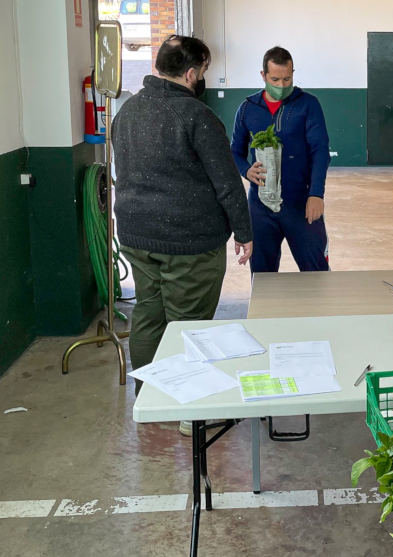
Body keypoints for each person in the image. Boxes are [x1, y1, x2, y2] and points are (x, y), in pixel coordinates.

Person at [112, 36, 253, 410]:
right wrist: (244, 231)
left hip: (136, 237)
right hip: (189, 243)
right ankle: (187, 412)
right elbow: (226, 182)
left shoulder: (125, 112)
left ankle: (149, 399)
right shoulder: (196, 116)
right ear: (191, 73)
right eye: (203, 71)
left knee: (148, 313)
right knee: (189, 326)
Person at [231, 46, 332, 273]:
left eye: (287, 79)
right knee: (262, 275)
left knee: (316, 271)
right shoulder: (247, 109)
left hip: (302, 203)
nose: (282, 85)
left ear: (293, 73)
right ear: (263, 76)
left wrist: (316, 194)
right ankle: (266, 310)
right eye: (275, 79)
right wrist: (246, 170)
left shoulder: (308, 105)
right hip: (261, 206)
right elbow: (234, 151)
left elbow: (320, 151)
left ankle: (320, 310)